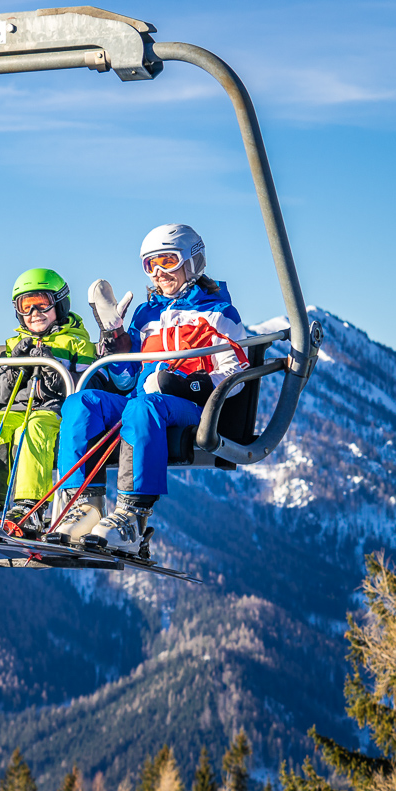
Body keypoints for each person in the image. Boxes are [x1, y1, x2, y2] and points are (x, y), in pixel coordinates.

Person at [52, 224, 248, 554]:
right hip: (140, 403)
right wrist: (116, 338)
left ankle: (132, 515)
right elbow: (127, 379)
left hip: (188, 408)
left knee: (142, 408)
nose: (158, 272)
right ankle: (85, 505)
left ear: (193, 261)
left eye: (167, 261)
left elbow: (236, 374)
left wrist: (188, 386)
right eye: (150, 265)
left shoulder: (219, 313)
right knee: (81, 403)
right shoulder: (146, 314)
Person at [0, 269, 96, 535]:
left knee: (33, 429)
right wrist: (16, 367)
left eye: (42, 303)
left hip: (53, 410)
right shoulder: (15, 342)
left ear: (59, 304)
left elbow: (83, 386)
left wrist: (53, 366)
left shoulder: (77, 342)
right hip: (15, 408)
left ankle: (30, 506)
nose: (35, 312)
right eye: (26, 306)